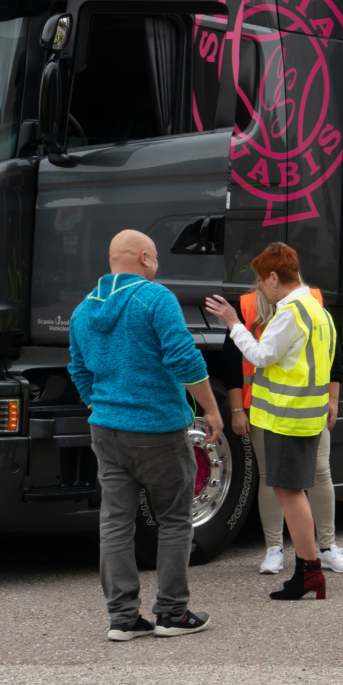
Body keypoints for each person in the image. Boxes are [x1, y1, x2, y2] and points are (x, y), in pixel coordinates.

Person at [70, 230, 223, 642]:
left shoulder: (83, 310)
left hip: (105, 428)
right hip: (158, 428)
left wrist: (99, 404)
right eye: (155, 258)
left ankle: (122, 617)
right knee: (174, 519)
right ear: (144, 258)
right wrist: (210, 407)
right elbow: (183, 357)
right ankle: (171, 613)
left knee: (116, 522)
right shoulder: (155, 298)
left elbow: (79, 369)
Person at [205, 243, 337, 601]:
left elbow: (261, 356)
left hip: (285, 418)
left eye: (262, 281)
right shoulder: (317, 310)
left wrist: (234, 324)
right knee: (295, 493)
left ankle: (309, 573)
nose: (260, 288)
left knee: (289, 494)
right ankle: (309, 571)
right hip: (305, 415)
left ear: (275, 278)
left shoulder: (291, 311)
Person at [227, 285, 343, 576]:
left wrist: (333, 399)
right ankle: (274, 549)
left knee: (320, 472)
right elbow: (231, 362)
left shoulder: (314, 302)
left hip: (308, 405)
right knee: (271, 477)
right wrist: (236, 409)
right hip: (263, 407)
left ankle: (327, 547)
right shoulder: (246, 305)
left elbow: (335, 355)